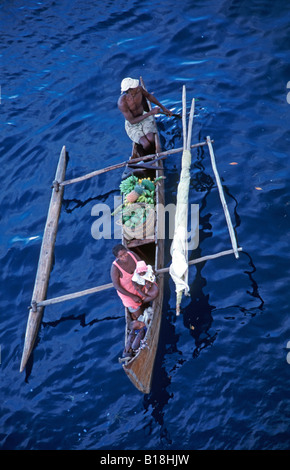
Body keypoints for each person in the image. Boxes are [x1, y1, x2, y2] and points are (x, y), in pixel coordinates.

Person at [118, 77, 172, 155]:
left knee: (151, 139)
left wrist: (163, 108)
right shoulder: (122, 103)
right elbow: (132, 121)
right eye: (134, 87)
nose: (137, 86)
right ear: (130, 90)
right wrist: (150, 113)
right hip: (133, 124)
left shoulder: (139, 89)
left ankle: (154, 154)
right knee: (146, 144)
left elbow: (149, 96)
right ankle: (148, 160)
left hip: (144, 117)